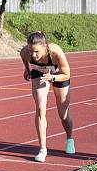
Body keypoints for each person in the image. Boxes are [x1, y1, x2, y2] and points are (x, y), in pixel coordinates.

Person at [20, 31, 76, 163]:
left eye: (37, 52)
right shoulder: (26, 52)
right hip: (40, 74)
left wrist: (52, 77)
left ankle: (69, 138)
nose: (34, 55)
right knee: (40, 108)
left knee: (63, 114)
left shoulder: (56, 52)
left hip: (58, 74)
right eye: (31, 51)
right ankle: (42, 149)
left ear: (45, 47)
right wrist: (27, 70)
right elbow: (23, 57)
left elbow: (67, 74)